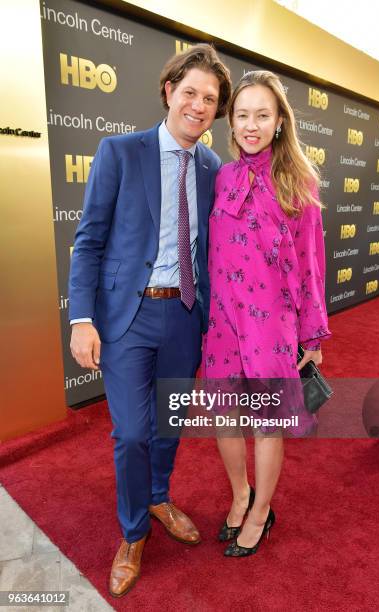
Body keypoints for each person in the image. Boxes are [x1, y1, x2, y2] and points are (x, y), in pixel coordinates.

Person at [69, 44, 231, 596]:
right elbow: (88, 241)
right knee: (133, 432)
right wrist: (81, 318)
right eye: (190, 92)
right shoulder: (120, 151)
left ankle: (160, 496)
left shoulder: (214, 168)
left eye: (210, 99)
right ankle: (133, 531)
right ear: (168, 91)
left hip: (186, 316)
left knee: (170, 425)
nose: (199, 105)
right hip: (127, 316)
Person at [202, 70, 331, 557]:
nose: (251, 125)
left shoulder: (299, 180)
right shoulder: (223, 176)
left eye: (262, 115)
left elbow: (312, 263)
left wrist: (312, 336)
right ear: (230, 123)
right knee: (224, 414)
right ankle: (241, 495)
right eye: (242, 115)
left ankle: (261, 513)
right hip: (223, 320)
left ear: (280, 121)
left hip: (270, 324)